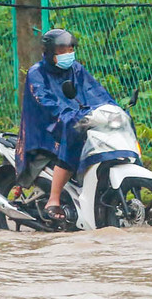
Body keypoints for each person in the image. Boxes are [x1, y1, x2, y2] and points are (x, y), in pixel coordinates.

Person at [14, 28, 117, 225]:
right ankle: (53, 199)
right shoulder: (37, 73)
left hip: (77, 120)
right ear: (50, 53)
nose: (68, 54)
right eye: (62, 51)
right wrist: (68, 116)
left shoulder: (76, 69)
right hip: (47, 129)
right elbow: (45, 102)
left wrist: (111, 109)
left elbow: (95, 92)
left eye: (70, 50)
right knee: (73, 135)